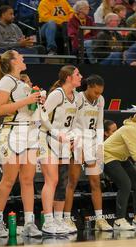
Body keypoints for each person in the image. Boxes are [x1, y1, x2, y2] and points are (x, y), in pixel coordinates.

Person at [0, 50, 42, 238]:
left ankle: (29, 222)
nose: (23, 58)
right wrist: (28, 100)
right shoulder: (6, 81)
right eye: (20, 56)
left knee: (28, 180)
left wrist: (35, 102)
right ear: (13, 61)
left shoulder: (21, 82)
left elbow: (26, 108)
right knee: (9, 180)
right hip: (13, 132)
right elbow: (0, 109)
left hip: (29, 132)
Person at [39, 65, 82, 235]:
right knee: (52, 180)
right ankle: (47, 221)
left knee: (63, 183)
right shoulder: (57, 94)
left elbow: (76, 122)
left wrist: (74, 137)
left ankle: (58, 219)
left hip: (64, 142)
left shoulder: (77, 98)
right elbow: (41, 115)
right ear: (69, 78)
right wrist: (56, 133)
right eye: (77, 74)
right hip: (47, 138)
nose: (81, 76)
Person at [63, 75, 106, 233]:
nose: (98, 95)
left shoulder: (100, 100)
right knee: (72, 181)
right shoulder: (78, 98)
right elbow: (71, 122)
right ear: (88, 86)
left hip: (92, 143)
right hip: (78, 142)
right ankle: (67, 218)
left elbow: (100, 123)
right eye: (95, 92)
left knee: (95, 182)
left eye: (100, 92)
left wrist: (99, 145)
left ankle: (100, 219)